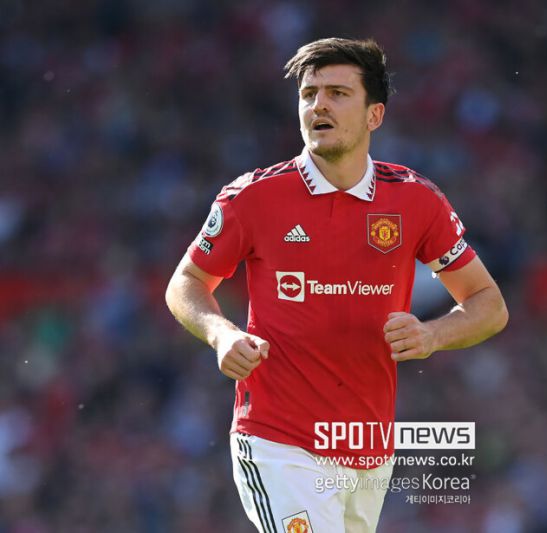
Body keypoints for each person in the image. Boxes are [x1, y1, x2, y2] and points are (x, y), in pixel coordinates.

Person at [165, 37, 508, 533]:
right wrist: (220, 333)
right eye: (309, 94)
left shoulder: (415, 200)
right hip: (278, 441)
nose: (319, 105)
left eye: (338, 93)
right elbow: (187, 280)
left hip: (368, 449)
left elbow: (489, 304)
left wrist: (433, 334)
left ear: (374, 115)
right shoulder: (253, 198)